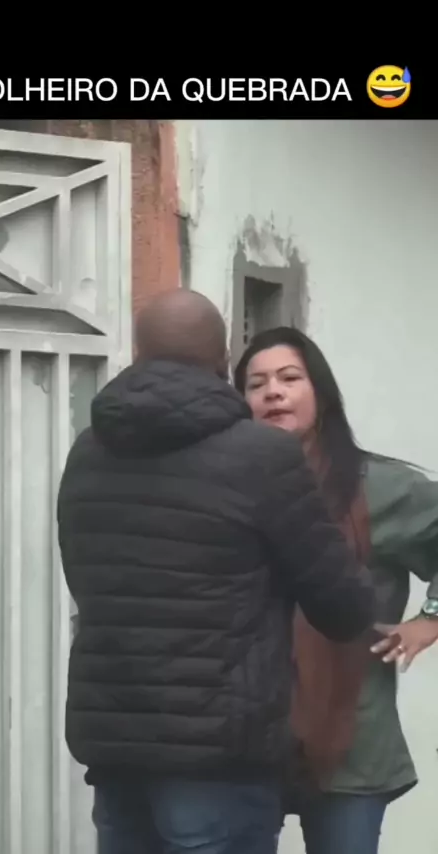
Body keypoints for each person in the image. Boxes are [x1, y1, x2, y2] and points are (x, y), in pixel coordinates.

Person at [57, 290, 376, 854]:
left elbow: (84, 580)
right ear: (223, 363)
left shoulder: (87, 451)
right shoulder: (262, 455)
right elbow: (342, 606)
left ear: (138, 355)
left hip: (116, 746)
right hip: (221, 753)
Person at [234, 326, 438, 854]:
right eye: (256, 384)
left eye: (289, 378)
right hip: (248, 736)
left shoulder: (378, 486)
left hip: (353, 738)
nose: (273, 392)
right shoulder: (228, 484)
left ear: (320, 392)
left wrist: (430, 619)